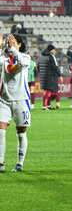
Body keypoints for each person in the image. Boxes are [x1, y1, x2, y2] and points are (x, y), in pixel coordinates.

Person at [0, 34, 30, 172]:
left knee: (21, 134)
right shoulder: (4, 59)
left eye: (13, 42)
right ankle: (1, 163)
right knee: (0, 132)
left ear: (19, 45)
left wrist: (13, 49)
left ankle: (20, 164)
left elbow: (23, 63)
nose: (10, 44)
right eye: (9, 42)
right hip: (4, 100)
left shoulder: (25, 58)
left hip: (21, 100)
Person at [37, 45, 63, 110]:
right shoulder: (51, 56)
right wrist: (60, 75)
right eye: (53, 49)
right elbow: (55, 66)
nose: (54, 51)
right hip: (50, 76)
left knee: (48, 90)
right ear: (51, 50)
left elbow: (38, 66)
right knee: (48, 91)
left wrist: (41, 74)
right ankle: (45, 105)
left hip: (43, 76)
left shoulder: (41, 56)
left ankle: (48, 105)